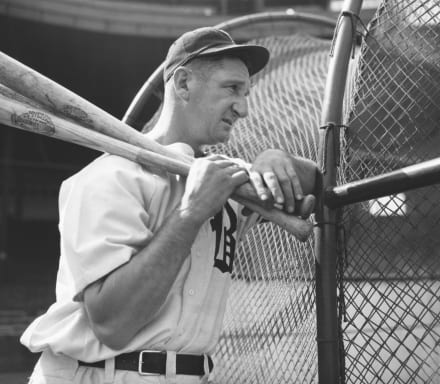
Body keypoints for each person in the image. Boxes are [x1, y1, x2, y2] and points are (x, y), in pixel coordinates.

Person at [20, 26, 315, 384]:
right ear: (184, 84)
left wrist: (276, 158)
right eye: (232, 88)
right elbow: (112, 324)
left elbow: (316, 183)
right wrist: (191, 214)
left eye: (247, 92)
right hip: (99, 374)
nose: (244, 108)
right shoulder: (110, 177)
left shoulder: (227, 181)